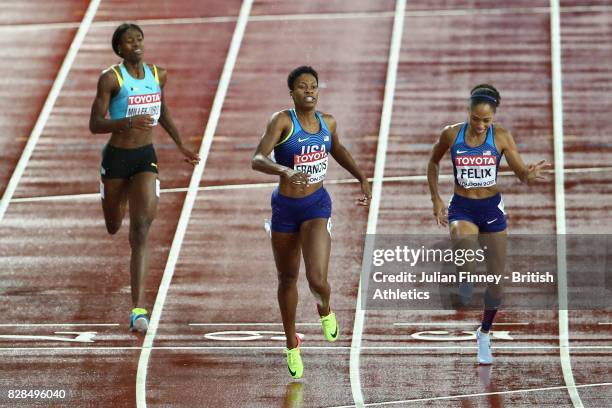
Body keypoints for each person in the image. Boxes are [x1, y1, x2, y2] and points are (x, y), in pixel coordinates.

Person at [252, 66, 371, 378]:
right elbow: (257, 158)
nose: (309, 91)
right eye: (302, 87)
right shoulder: (281, 121)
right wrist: (285, 171)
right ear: (291, 93)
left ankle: (325, 308)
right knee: (287, 278)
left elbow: (337, 148)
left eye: (314, 87)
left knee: (317, 279)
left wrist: (361, 177)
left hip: (317, 205)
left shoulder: (327, 122)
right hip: (285, 208)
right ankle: (292, 344)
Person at [427, 84, 549, 364]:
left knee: (496, 283)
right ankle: (465, 278)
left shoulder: (502, 138)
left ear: (493, 117)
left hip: (491, 209)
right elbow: (433, 162)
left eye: (486, 120)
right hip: (463, 207)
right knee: (465, 251)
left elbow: (520, 172)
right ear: (467, 112)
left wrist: (528, 175)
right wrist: (436, 199)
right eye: (475, 119)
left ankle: (483, 333)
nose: (480, 125)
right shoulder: (451, 134)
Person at [89, 23, 199, 333]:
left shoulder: (157, 74)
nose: (136, 43)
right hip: (116, 159)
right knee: (114, 226)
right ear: (119, 49)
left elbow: (162, 109)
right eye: (129, 40)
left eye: (139, 38)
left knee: (140, 232)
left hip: (144, 158)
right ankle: (117, 196)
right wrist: (126, 122)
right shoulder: (111, 79)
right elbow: (95, 123)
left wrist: (180, 143)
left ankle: (138, 309)